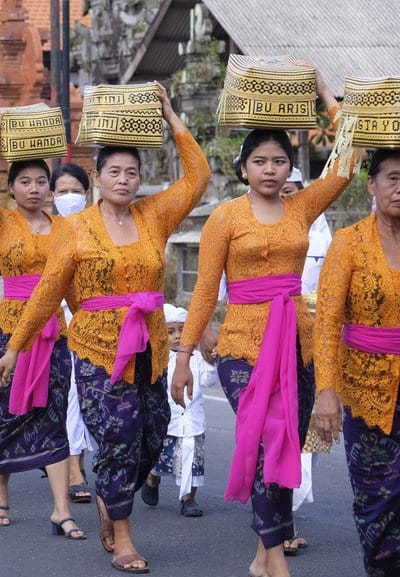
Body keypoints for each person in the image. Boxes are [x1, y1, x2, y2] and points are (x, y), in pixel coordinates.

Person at [0, 83, 209, 573]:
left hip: (149, 346)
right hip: (95, 350)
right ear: (96, 176)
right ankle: (124, 535)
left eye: (132, 173)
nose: (124, 180)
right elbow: (48, 291)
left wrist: (171, 117)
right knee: (118, 435)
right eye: (114, 171)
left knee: (151, 435)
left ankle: (110, 498)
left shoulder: (154, 215)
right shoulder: (73, 229)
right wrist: (15, 347)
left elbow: (198, 176)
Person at [172, 66, 350, 577]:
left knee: (285, 444)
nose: (270, 170)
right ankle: (275, 561)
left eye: (279, 161)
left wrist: (325, 95)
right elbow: (205, 291)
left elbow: (345, 163)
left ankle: (263, 555)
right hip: (242, 349)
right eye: (259, 161)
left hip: (297, 345)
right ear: (243, 167)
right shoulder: (225, 217)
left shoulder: (301, 208)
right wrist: (183, 356)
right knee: (267, 438)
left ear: (291, 167)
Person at [0, 111, 84, 537]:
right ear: (12, 188)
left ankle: (61, 509)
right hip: (11, 332)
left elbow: (73, 285)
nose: (34, 189)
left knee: (54, 415)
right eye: (25, 182)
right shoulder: (1, 222)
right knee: (12, 412)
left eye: (40, 182)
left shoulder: (66, 230)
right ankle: (1, 489)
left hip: (55, 333)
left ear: (50, 188)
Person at [314, 148, 400, 577]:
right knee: (378, 499)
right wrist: (326, 391)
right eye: (393, 178)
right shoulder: (348, 242)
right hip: (367, 391)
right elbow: (327, 323)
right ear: (372, 184)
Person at [281, 166, 333, 555]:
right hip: (269, 336)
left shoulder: (326, 238)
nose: (286, 196)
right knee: (277, 426)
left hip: (314, 341)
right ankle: (280, 516)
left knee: (309, 429)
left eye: (292, 189)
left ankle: (288, 510)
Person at [141, 304, 217, 517]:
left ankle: (188, 499)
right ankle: (152, 478)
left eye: (182, 330)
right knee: (160, 458)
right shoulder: (159, 358)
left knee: (193, 461)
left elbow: (208, 381)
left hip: (193, 422)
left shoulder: (197, 358)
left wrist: (212, 363)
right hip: (167, 421)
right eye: (171, 331)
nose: (177, 336)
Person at [50, 162, 96, 504]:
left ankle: (75, 464)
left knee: (80, 394)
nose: (70, 197)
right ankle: (70, 465)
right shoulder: (47, 231)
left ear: (87, 194)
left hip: (90, 321)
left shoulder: (97, 229)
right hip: (53, 322)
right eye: (63, 191)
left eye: (76, 191)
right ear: (52, 195)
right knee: (65, 395)